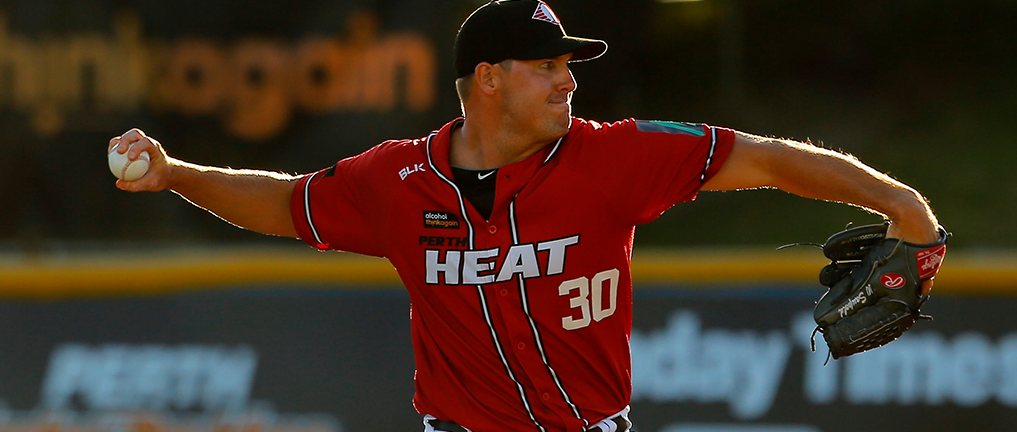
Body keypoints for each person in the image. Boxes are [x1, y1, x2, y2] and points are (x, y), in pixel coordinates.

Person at [108, 1, 941, 431]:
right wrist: (177, 175)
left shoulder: (611, 156)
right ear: (488, 78)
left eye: (568, 65)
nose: (568, 80)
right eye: (545, 66)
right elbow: (285, 203)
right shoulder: (397, 179)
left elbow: (765, 157)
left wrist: (901, 204)